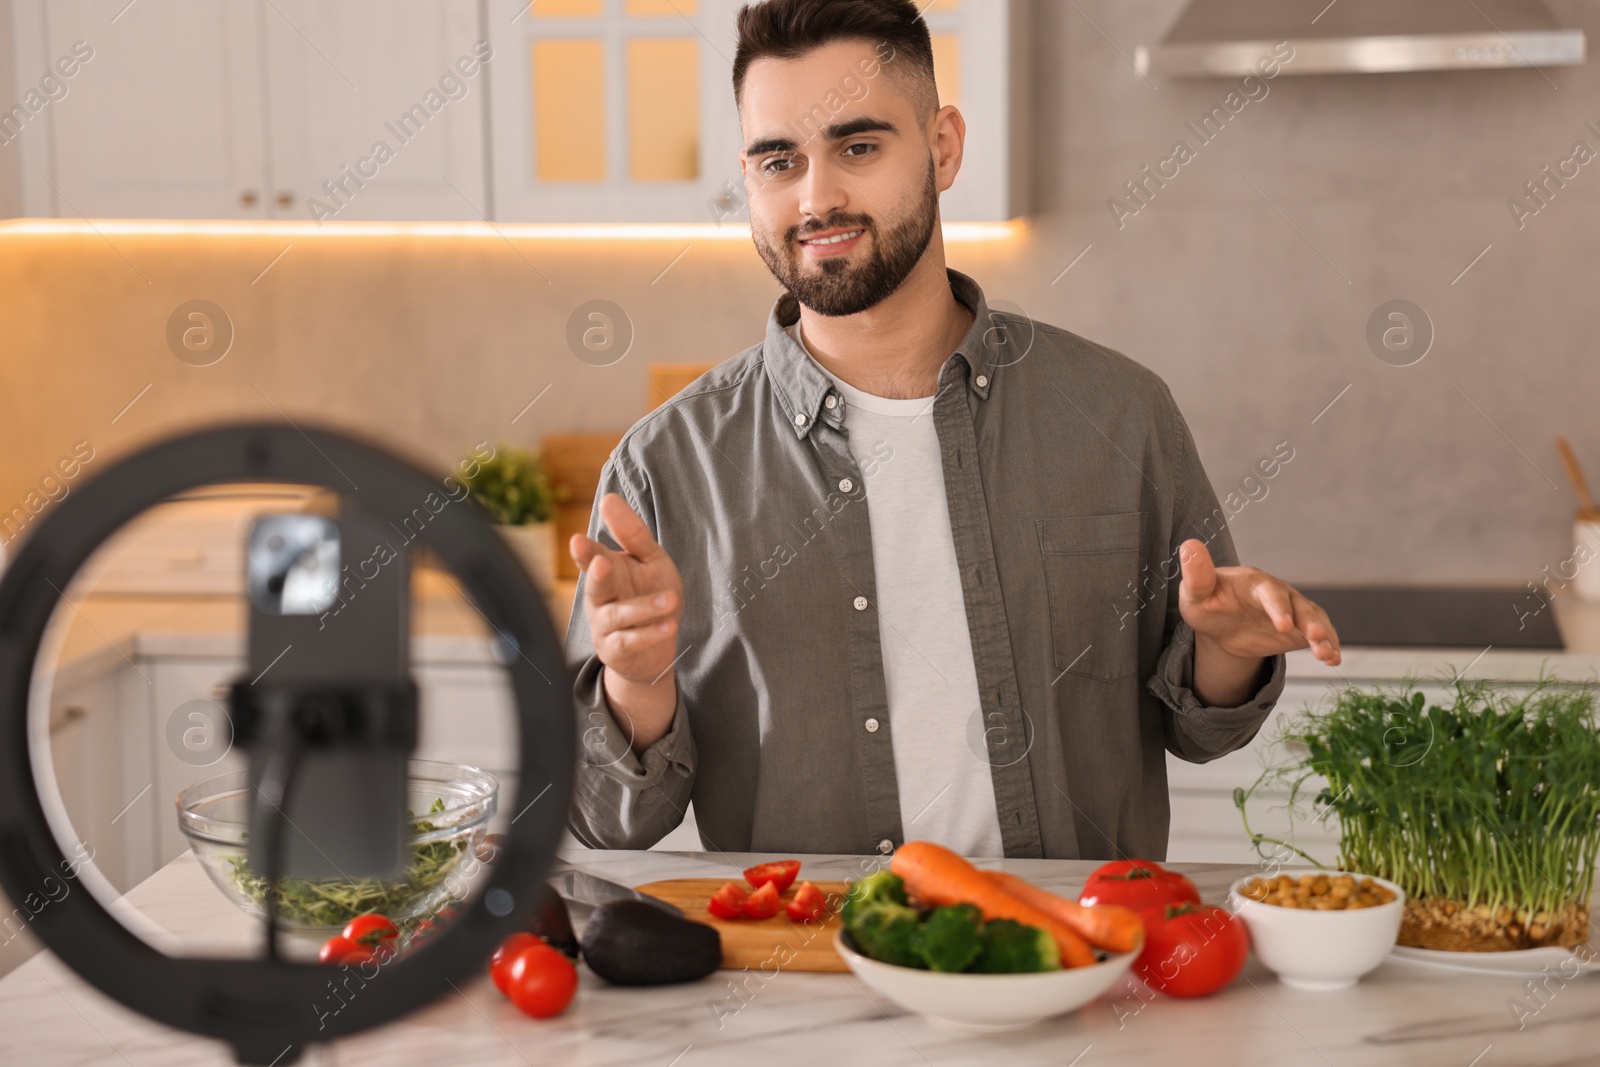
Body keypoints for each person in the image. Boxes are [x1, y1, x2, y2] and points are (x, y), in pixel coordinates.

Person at [563, 0, 1341, 860]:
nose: (817, 197)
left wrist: (1224, 658)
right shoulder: (666, 467)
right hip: (807, 975)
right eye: (779, 160)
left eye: (859, 147)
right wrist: (638, 688)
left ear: (942, 148)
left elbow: (1202, 730)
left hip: (1071, 966)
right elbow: (605, 821)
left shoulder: (1120, 414)